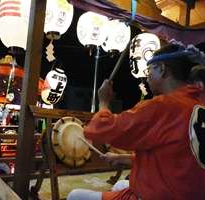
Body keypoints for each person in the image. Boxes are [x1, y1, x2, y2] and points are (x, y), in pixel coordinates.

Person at [67, 39, 205, 200]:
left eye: (149, 71)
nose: (147, 78)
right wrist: (122, 158)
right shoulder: (197, 106)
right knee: (120, 185)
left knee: (75, 196)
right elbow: (172, 154)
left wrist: (104, 102)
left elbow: (103, 128)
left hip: (161, 195)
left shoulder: (164, 105)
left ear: (161, 69)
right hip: (186, 192)